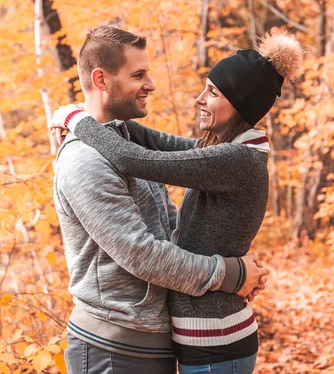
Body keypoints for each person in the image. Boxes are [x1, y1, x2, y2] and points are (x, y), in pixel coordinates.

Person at [52, 31, 304, 373]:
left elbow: (135, 160)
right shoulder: (88, 161)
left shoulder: (234, 159)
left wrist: (75, 118)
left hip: (206, 340)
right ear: (101, 79)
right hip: (124, 343)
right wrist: (76, 114)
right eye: (138, 75)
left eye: (212, 92)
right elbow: (144, 150)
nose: (199, 99)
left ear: (238, 104)